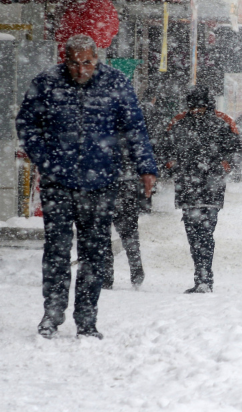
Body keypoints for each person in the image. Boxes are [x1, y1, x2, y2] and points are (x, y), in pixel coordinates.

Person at [16, 34, 158, 339]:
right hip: (58, 181)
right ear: (65, 61)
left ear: (97, 59)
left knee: (94, 252)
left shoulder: (115, 83)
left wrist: (146, 167)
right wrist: (45, 159)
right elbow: (26, 124)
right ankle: (52, 313)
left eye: (88, 62)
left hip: (100, 180)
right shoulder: (46, 83)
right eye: (75, 63)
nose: (82, 69)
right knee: (57, 249)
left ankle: (87, 319)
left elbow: (134, 127)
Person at [163, 86, 242, 294]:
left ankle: (204, 277)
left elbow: (236, 149)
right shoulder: (178, 123)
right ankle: (202, 276)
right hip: (188, 187)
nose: (197, 111)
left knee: (205, 233)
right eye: (194, 107)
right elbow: (165, 148)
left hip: (211, 187)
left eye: (201, 107)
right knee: (193, 234)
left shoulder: (222, 122)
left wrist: (225, 166)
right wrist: (172, 166)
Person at [102, 133, 147, 290]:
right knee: (128, 235)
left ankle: (106, 277)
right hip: (125, 188)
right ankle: (136, 272)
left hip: (107, 189)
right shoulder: (129, 134)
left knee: (104, 235)